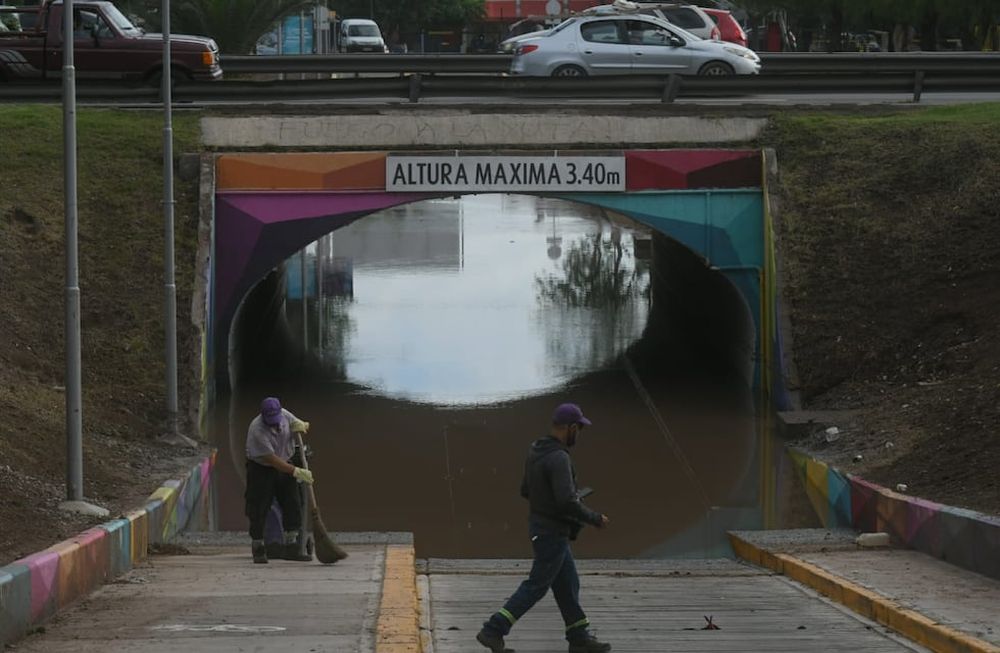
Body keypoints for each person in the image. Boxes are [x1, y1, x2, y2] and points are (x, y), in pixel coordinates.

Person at [477, 403, 612, 653]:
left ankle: (579, 637)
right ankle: (493, 629)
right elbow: (566, 500)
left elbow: (525, 490)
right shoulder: (559, 457)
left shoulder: (536, 450)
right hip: (551, 533)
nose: (579, 435)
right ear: (570, 428)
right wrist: (594, 518)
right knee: (536, 586)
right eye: (579, 429)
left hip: (543, 528)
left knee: (568, 584)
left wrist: (550, 504)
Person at [245, 396, 314, 564]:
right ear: (263, 416)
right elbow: (272, 460)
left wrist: (302, 426)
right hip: (262, 468)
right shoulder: (257, 430)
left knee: (292, 502)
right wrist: (296, 471)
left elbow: (299, 424)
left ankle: (292, 547)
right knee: (259, 506)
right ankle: (259, 548)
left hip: (286, 461)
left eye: (275, 419)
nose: (274, 423)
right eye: (270, 420)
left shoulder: (284, 414)